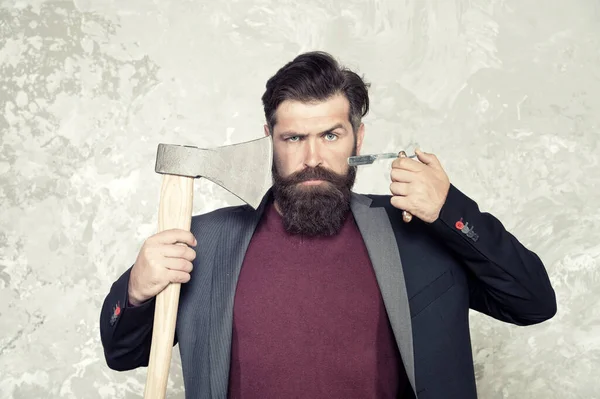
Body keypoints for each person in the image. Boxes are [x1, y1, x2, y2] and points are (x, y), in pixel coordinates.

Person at [99, 51, 556, 399]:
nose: (312, 158)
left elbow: (533, 302)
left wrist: (452, 211)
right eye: (294, 138)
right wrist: (136, 291)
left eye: (331, 135)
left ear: (359, 137)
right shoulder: (206, 241)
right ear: (269, 140)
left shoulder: (417, 231)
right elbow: (123, 354)